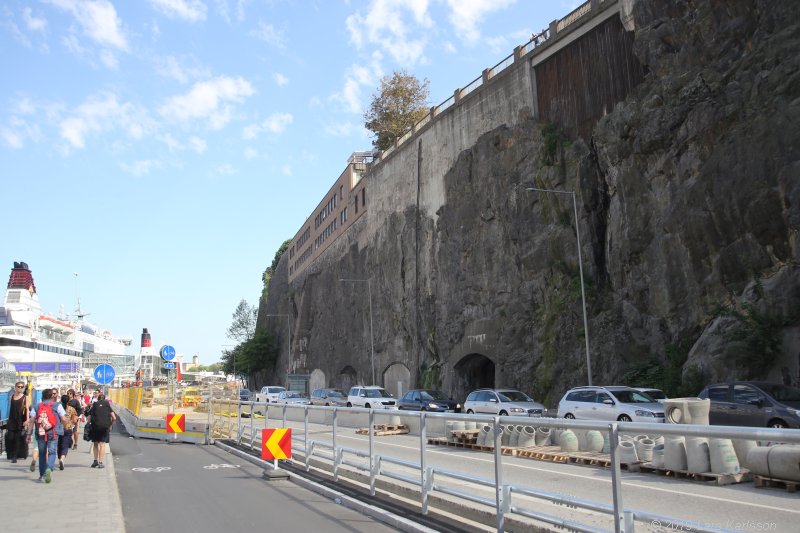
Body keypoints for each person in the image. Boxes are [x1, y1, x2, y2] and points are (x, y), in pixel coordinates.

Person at [30, 388, 67, 483]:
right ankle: (49, 469)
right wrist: (65, 427)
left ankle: (42, 474)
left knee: (42, 454)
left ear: (42, 396)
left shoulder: (36, 406)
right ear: (52, 396)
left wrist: (28, 433)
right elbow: (63, 418)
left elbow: (32, 420)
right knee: (52, 452)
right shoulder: (57, 406)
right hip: (53, 432)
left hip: (41, 432)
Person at [87, 393, 115, 468]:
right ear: (105, 399)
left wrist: (89, 423)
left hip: (95, 427)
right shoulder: (107, 405)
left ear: (98, 399)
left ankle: (95, 461)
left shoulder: (94, 405)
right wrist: (110, 424)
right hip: (105, 427)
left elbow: (89, 418)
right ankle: (101, 462)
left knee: (95, 444)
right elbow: (114, 417)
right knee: (102, 444)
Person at [5, 381, 29, 463]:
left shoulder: (25, 397)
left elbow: (27, 409)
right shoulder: (11, 396)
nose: (20, 388)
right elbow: (9, 409)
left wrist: (27, 420)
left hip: (20, 420)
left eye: (22, 387)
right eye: (18, 386)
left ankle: (15, 456)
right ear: (15, 387)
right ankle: (11, 453)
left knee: (17, 438)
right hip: (12, 420)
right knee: (10, 437)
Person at [57, 394, 77, 470]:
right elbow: (75, 419)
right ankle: (62, 459)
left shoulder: (58, 408)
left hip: (59, 429)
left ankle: (59, 460)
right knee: (65, 446)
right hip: (68, 428)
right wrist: (73, 423)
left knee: (59, 445)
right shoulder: (71, 409)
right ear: (68, 401)